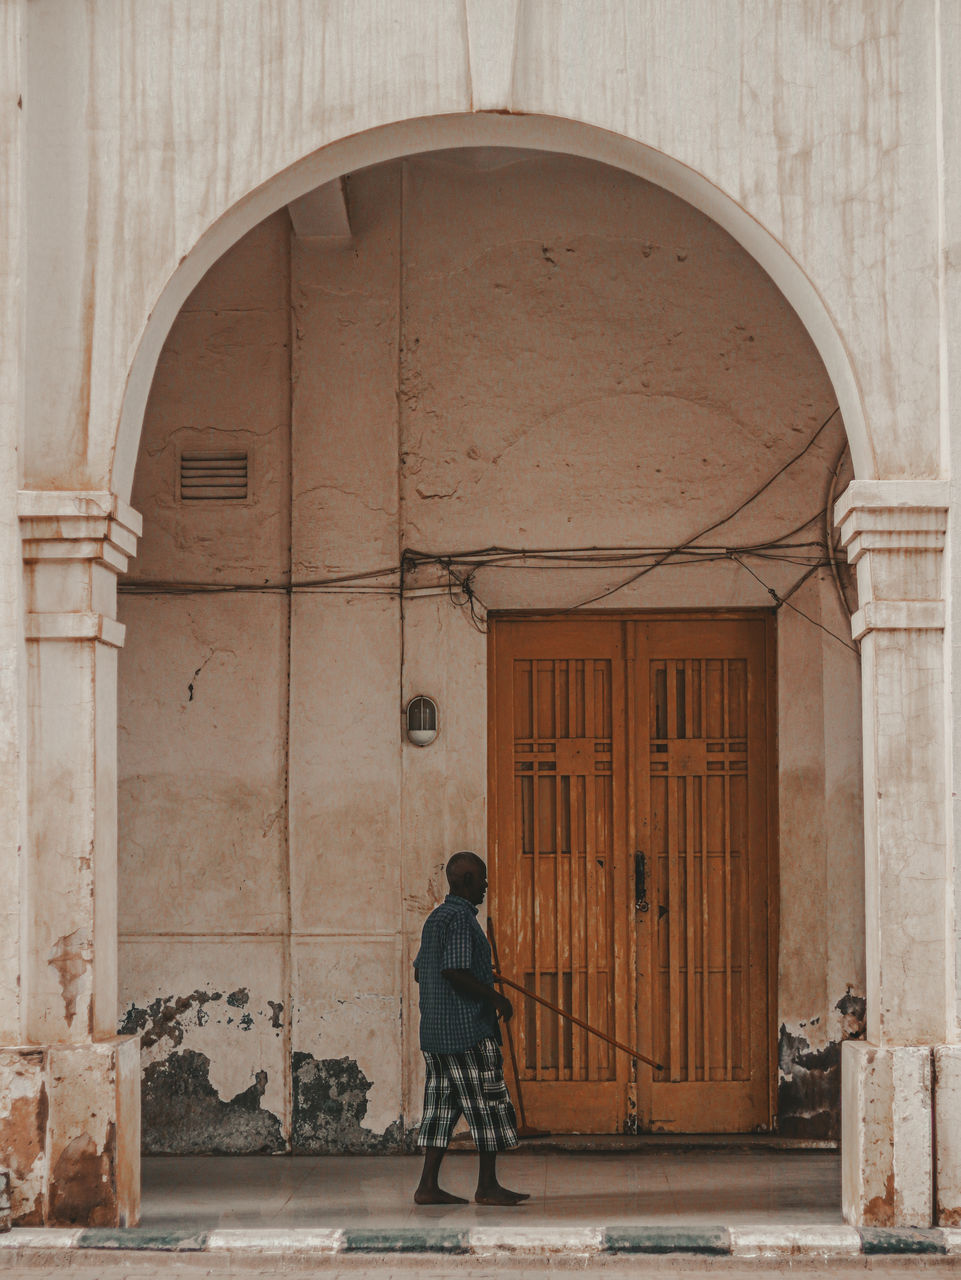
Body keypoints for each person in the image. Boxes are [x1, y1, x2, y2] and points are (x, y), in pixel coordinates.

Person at [412, 851, 529, 1206]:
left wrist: (481, 975)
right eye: (482, 880)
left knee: (441, 1110)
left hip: (435, 1034)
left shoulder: (436, 918)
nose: (485, 887)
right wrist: (496, 999)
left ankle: (427, 1186)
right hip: (467, 1034)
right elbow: (454, 971)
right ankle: (488, 1187)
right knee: (488, 1106)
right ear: (465, 881)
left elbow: (423, 969)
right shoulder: (462, 919)